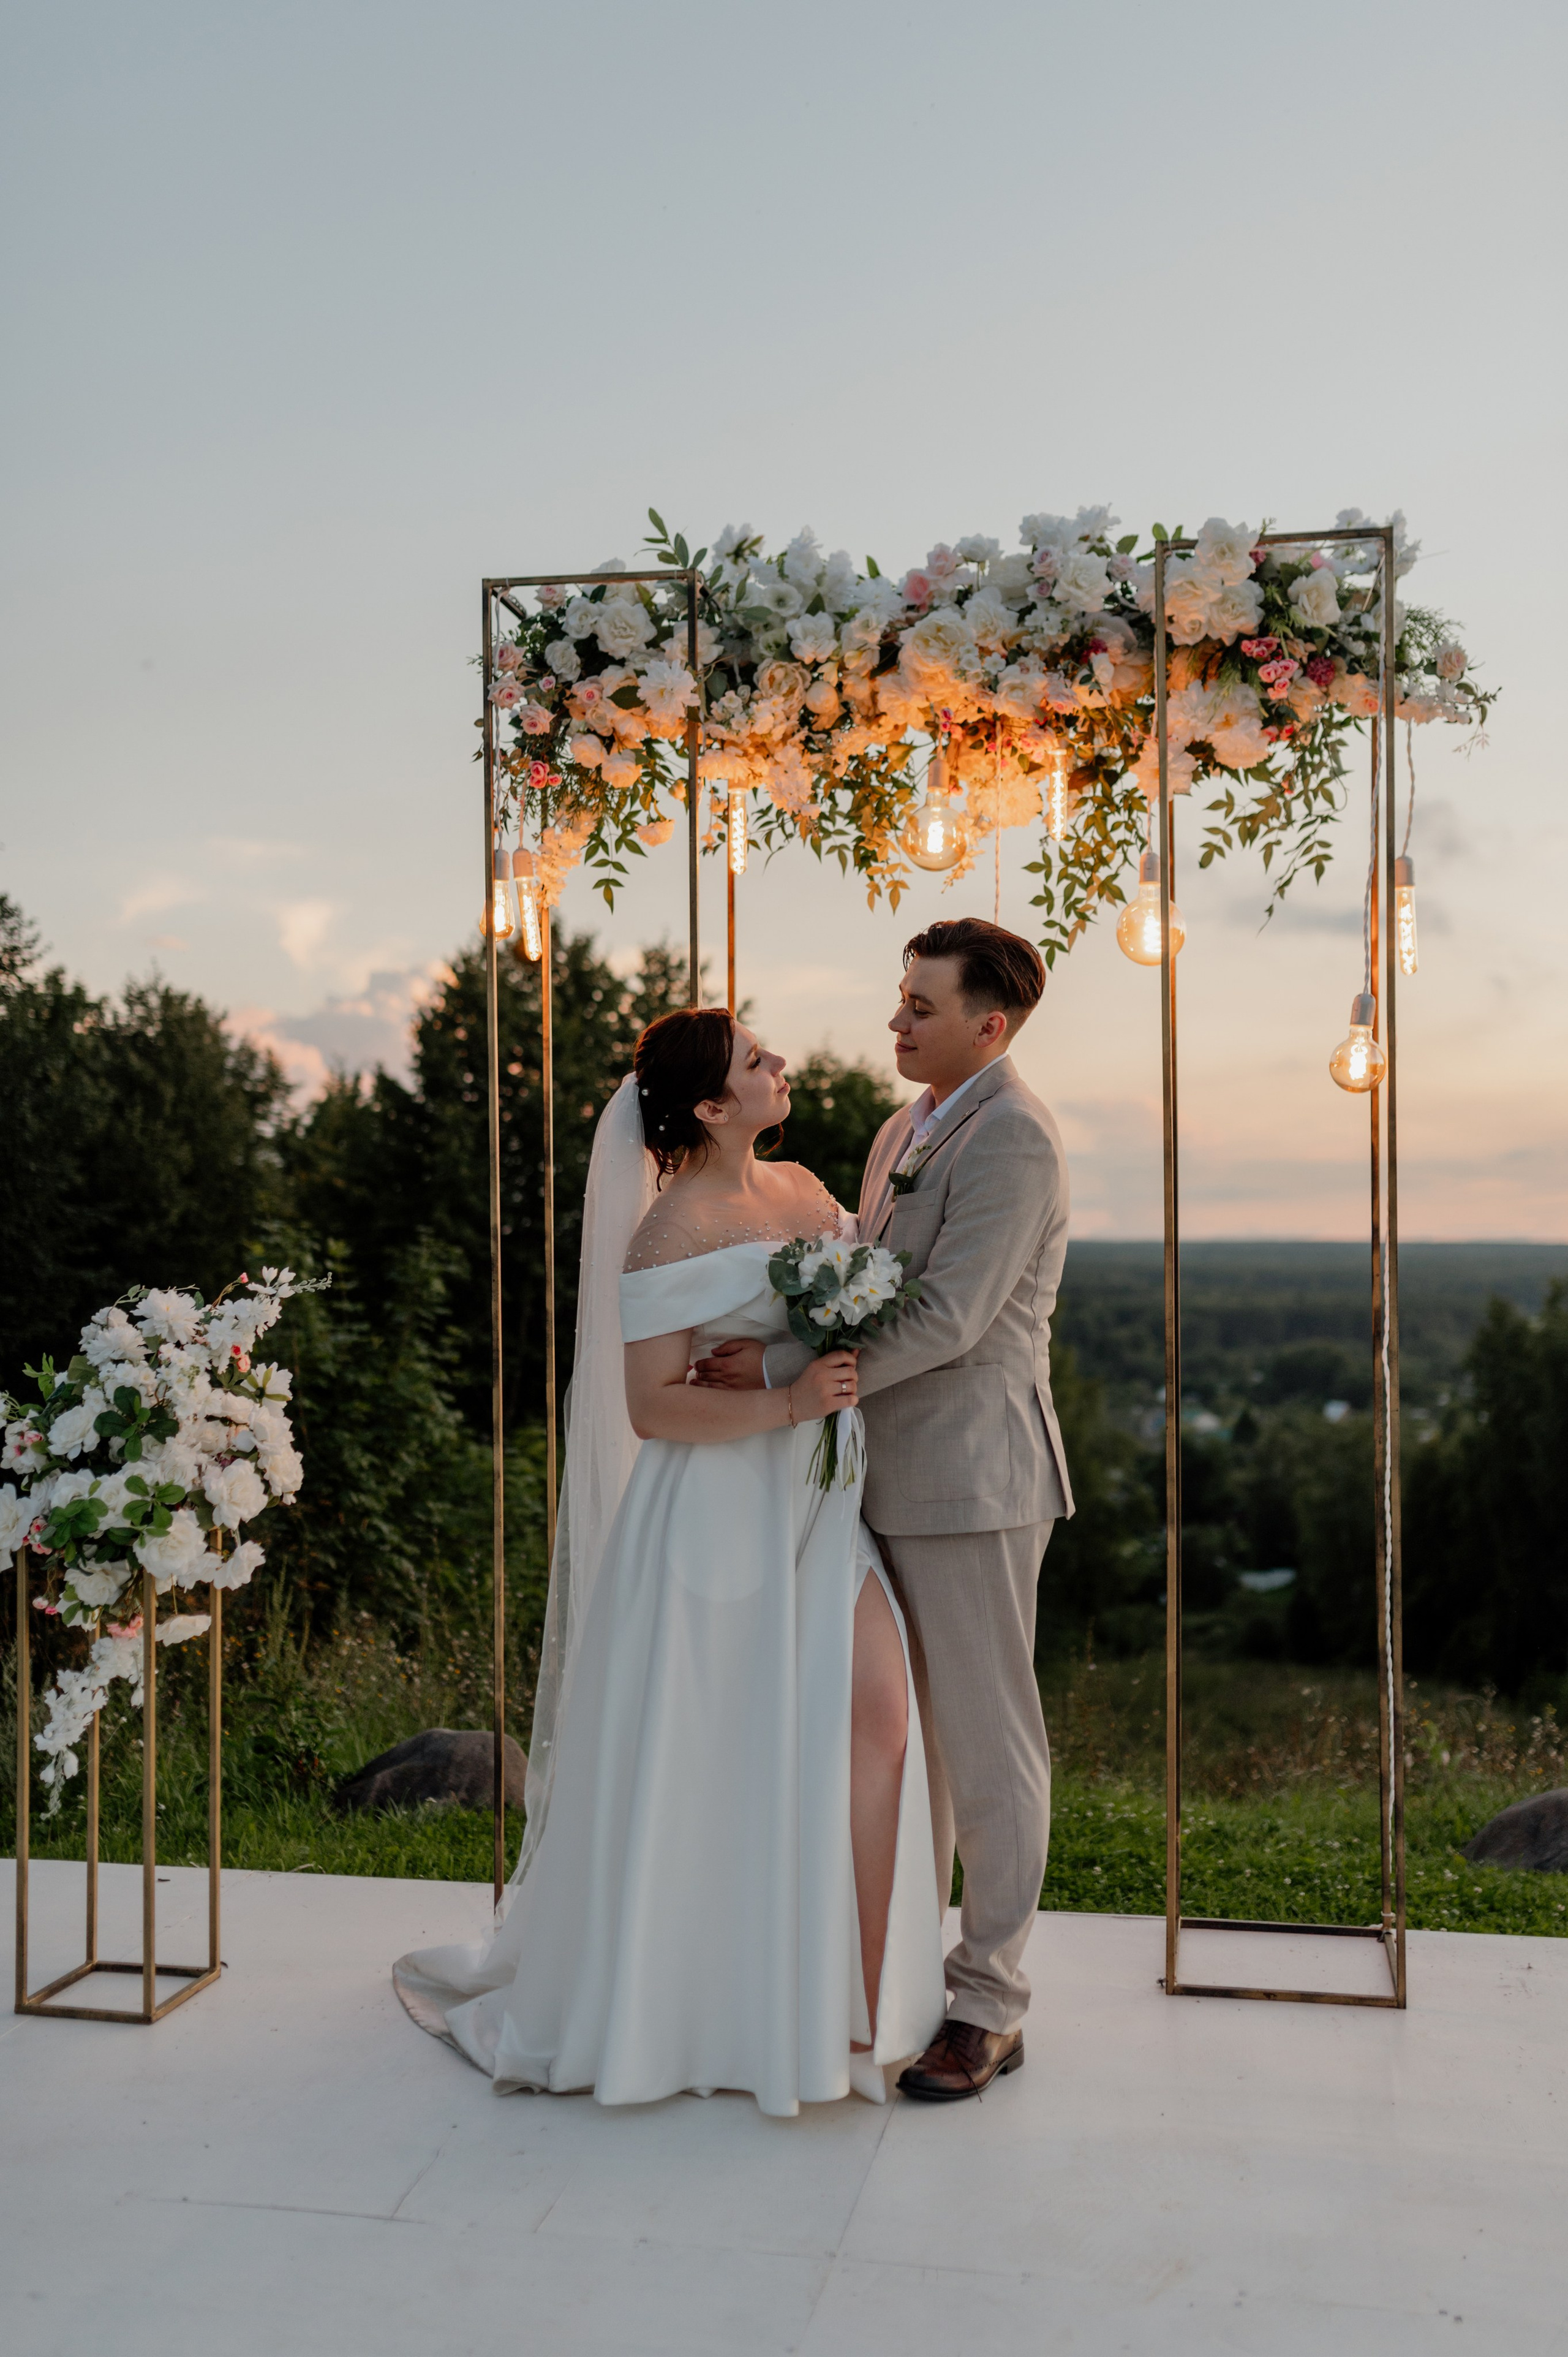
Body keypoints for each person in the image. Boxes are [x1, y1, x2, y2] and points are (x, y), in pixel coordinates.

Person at [393, 1007, 947, 2117]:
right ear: (708, 1106)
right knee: (724, 1756)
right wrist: (788, 1395)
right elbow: (650, 1407)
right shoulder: (668, 1232)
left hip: (821, 1503)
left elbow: (850, 1301)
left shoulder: (803, 1191)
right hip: (712, 1519)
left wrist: (803, 1361)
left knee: (879, 1720)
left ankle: (862, 2007)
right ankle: (708, 2006)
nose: (779, 1064)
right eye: (756, 1061)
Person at [696, 917, 1072, 2102]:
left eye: (920, 1005)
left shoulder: (1014, 1139)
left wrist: (782, 1379)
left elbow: (949, 1319)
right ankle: (902, 1971)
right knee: (893, 1743)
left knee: (986, 1745)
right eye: (900, 997)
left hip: (970, 1482)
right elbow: (863, 1263)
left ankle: (990, 2007)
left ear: (989, 1025)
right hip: (875, 1477)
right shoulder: (903, 1124)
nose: (897, 1019)